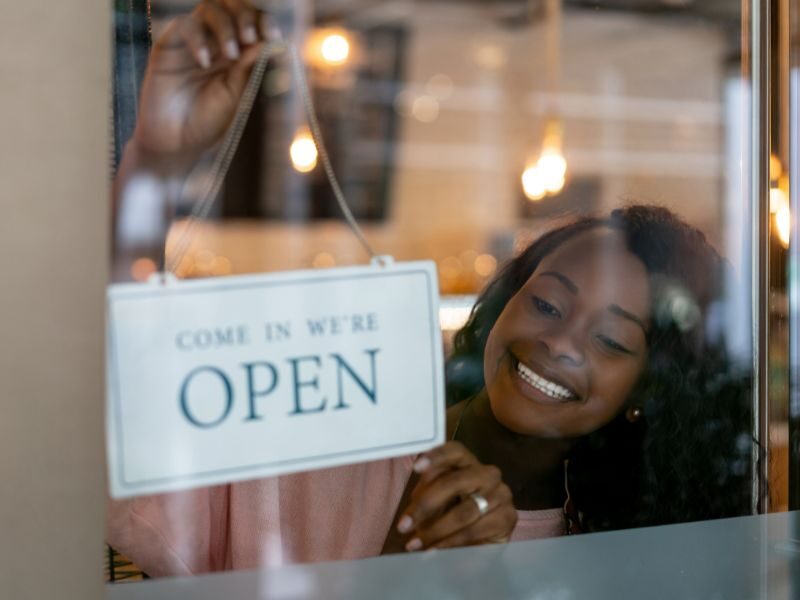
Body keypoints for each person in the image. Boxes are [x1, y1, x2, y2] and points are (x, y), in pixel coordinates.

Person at [108, 0, 755, 577]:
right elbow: (106, 416)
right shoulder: (327, 434)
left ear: (650, 388)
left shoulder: (624, 555)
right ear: (502, 308)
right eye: (547, 302)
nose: (559, 341)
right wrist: (160, 158)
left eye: (612, 340)